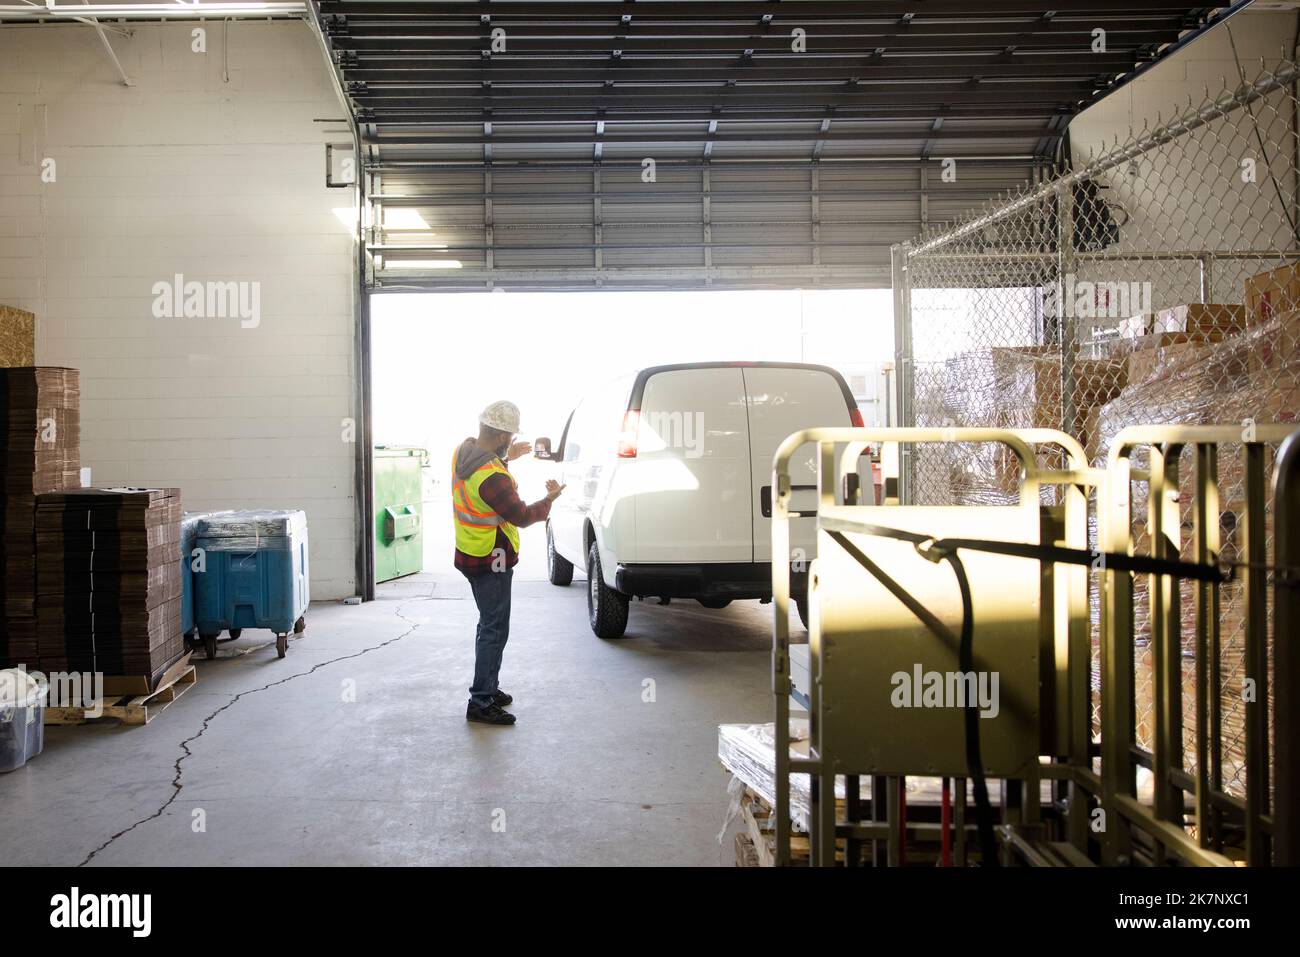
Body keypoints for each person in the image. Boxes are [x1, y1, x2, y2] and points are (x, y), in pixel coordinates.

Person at [451, 400, 564, 726]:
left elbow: (485, 479)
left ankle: (489, 686)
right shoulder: (493, 477)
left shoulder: (463, 452)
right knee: (495, 627)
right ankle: (481, 701)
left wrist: (505, 458)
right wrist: (549, 500)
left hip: (470, 553)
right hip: (492, 561)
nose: (511, 441)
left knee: (489, 624)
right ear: (502, 435)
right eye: (510, 437)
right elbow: (522, 515)